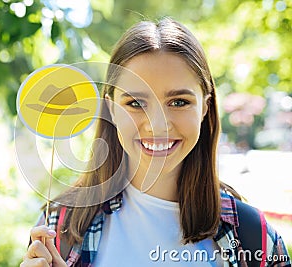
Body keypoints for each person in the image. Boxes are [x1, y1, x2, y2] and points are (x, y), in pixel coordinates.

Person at [20, 17, 291, 267]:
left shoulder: (253, 236)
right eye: (135, 103)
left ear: (205, 108)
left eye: (179, 102)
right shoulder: (60, 226)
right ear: (111, 108)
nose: (157, 125)